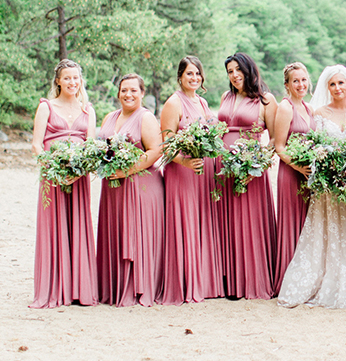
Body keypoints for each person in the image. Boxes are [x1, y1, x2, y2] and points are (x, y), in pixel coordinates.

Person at [278, 65, 346, 309]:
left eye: (341, 83)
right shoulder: (318, 113)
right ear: (326, 88)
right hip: (328, 185)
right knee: (329, 231)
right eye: (332, 84)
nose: (337, 88)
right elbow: (312, 145)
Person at [31, 59, 98, 308]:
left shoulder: (87, 110)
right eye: (67, 77)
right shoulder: (46, 106)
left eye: (76, 77)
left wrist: (80, 172)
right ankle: (55, 288)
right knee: (54, 227)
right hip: (53, 176)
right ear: (58, 81)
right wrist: (54, 169)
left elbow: (91, 145)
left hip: (79, 178)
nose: (72, 82)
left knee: (78, 225)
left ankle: (79, 289)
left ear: (80, 80)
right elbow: (37, 145)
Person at [96, 74, 165, 307]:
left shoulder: (145, 118)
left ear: (142, 93)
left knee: (136, 234)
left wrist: (126, 171)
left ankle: (138, 287)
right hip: (113, 188)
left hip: (140, 187)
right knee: (115, 231)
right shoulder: (110, 116)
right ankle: (114, 286)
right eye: (124, 90)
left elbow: (156, 151)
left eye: (134, 90)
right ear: (118, 93)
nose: (128, 94)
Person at [160, 56, 223, 304]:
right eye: (189, 74)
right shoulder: (173, 104)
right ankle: (185, 283)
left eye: (197, 74)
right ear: (180, 76)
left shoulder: (203, 102)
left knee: (202, 222)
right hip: (182, 172)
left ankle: (204, 282)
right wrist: (184, 161)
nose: (194, 78)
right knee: (185, 223)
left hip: (203, 172)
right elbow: (165, 144)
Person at [216, 53, 278, 299]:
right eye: (230, 71)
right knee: (227, 222)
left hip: (250, 169)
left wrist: (257, 166)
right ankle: (229, 281)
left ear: (249, 69)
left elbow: (273, 139)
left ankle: (251, 281)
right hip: (223, 168)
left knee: (249, 223)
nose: (234, 75)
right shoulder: (225, 97)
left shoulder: (265, 100)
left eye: (238, 69)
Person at [273, 62, 316, 292]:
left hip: (309, 175)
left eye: (303, 79)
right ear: (287, 85)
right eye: (295, 81)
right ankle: (287, 281)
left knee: (308, 224)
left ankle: (306, 278)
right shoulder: (286, 107)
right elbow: (279, 147)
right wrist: (299, 167)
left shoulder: (308, 108)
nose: (301, 84)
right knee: (292, 223)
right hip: (291, 174)